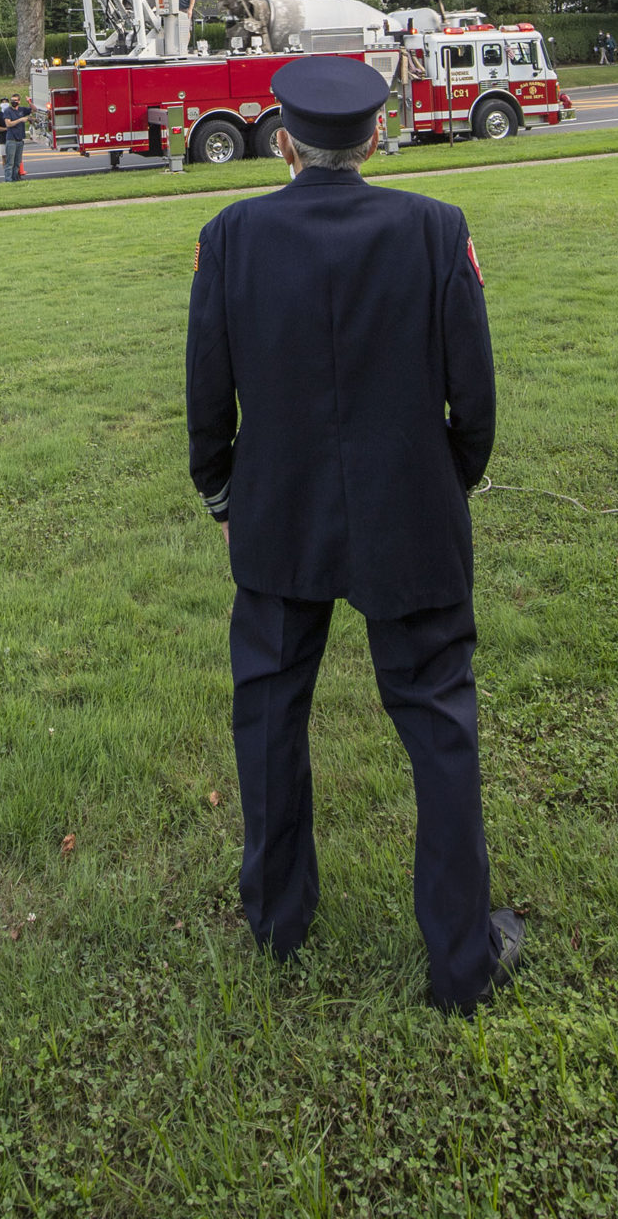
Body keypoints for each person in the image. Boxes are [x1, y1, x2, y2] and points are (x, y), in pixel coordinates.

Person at [185, 53, 523, 1014]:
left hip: (279, 509)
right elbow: (477, 396)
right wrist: (443, 478)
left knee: (268, 715)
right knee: (438, 726)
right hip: (408, 509)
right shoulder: (432, 229)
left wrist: (222, 494)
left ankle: (277, 919)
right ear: (374, 135)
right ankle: (463, 960)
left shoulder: (232, 234)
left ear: (283, 142)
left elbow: (208, 394)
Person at [0, 92, 27, 182]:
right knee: (10, 162)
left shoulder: (21, 110)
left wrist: (30, 102)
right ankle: (8, 180)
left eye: (15, 100)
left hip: (20, 140)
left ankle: (15, 178)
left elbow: (34, 110)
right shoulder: (7, 111)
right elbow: (8, 124)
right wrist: (20, 119)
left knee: (17, 162)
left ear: (19, 101)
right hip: (11, 140)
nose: (14, 102)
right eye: (12, 100)